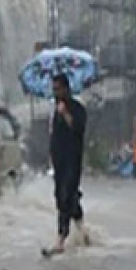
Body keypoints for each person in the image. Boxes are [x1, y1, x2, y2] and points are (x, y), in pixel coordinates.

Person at [48, 74, 88, 253]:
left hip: (73, 160)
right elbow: (54, 137)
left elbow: (78, 129)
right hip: (59, 162)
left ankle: (61, 239)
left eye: (57, 89)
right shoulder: (55, 110)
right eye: (53, 89)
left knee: (66, 195)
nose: (55, 93)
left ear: (66, 88)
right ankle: (82, 230)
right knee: (64, 197)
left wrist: (65, 114)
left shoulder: (77, 108)